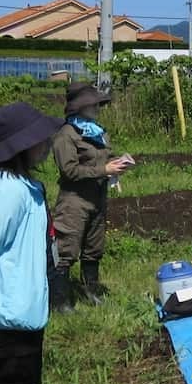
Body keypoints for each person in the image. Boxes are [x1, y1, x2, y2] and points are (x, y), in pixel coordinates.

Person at [0, 102, 63, 384]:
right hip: (9, 312)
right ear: (20, 146)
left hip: (25, 308)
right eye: (39, 139)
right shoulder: (8, 193)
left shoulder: (26, 187)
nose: (45, 144)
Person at [51, 83, 131, 310]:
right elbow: (69, 171)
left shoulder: (97, 131)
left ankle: (90, 292)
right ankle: (60, 301)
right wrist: (103, 171)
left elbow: (105, 158)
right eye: (93, 104)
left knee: (93, 249)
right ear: (80, 106)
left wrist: (116, 166)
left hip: (97, 197)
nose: (98, 107)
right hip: (74, 201)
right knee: (66, 250)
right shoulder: (66, 135)